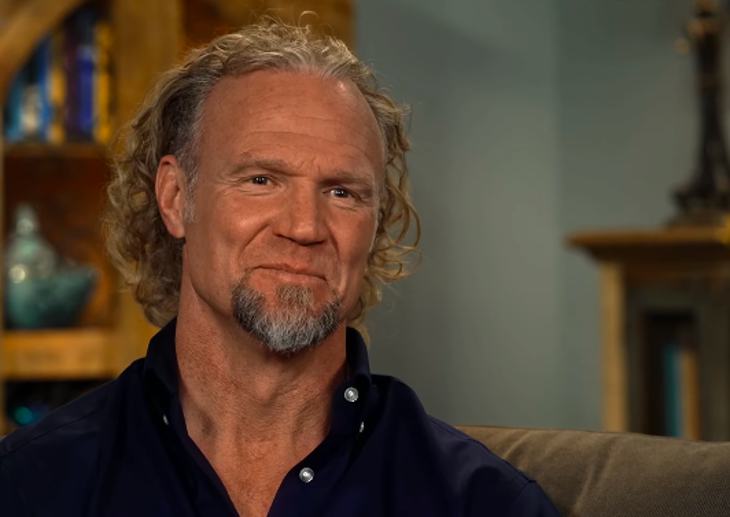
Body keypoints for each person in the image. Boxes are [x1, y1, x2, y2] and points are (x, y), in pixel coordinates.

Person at [0, 20, 559, 516]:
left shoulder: (481, 501)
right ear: (175, 197)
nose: (305, 226)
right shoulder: (32, 486)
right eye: (261, 180)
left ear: (375, 224)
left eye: (342, 192)